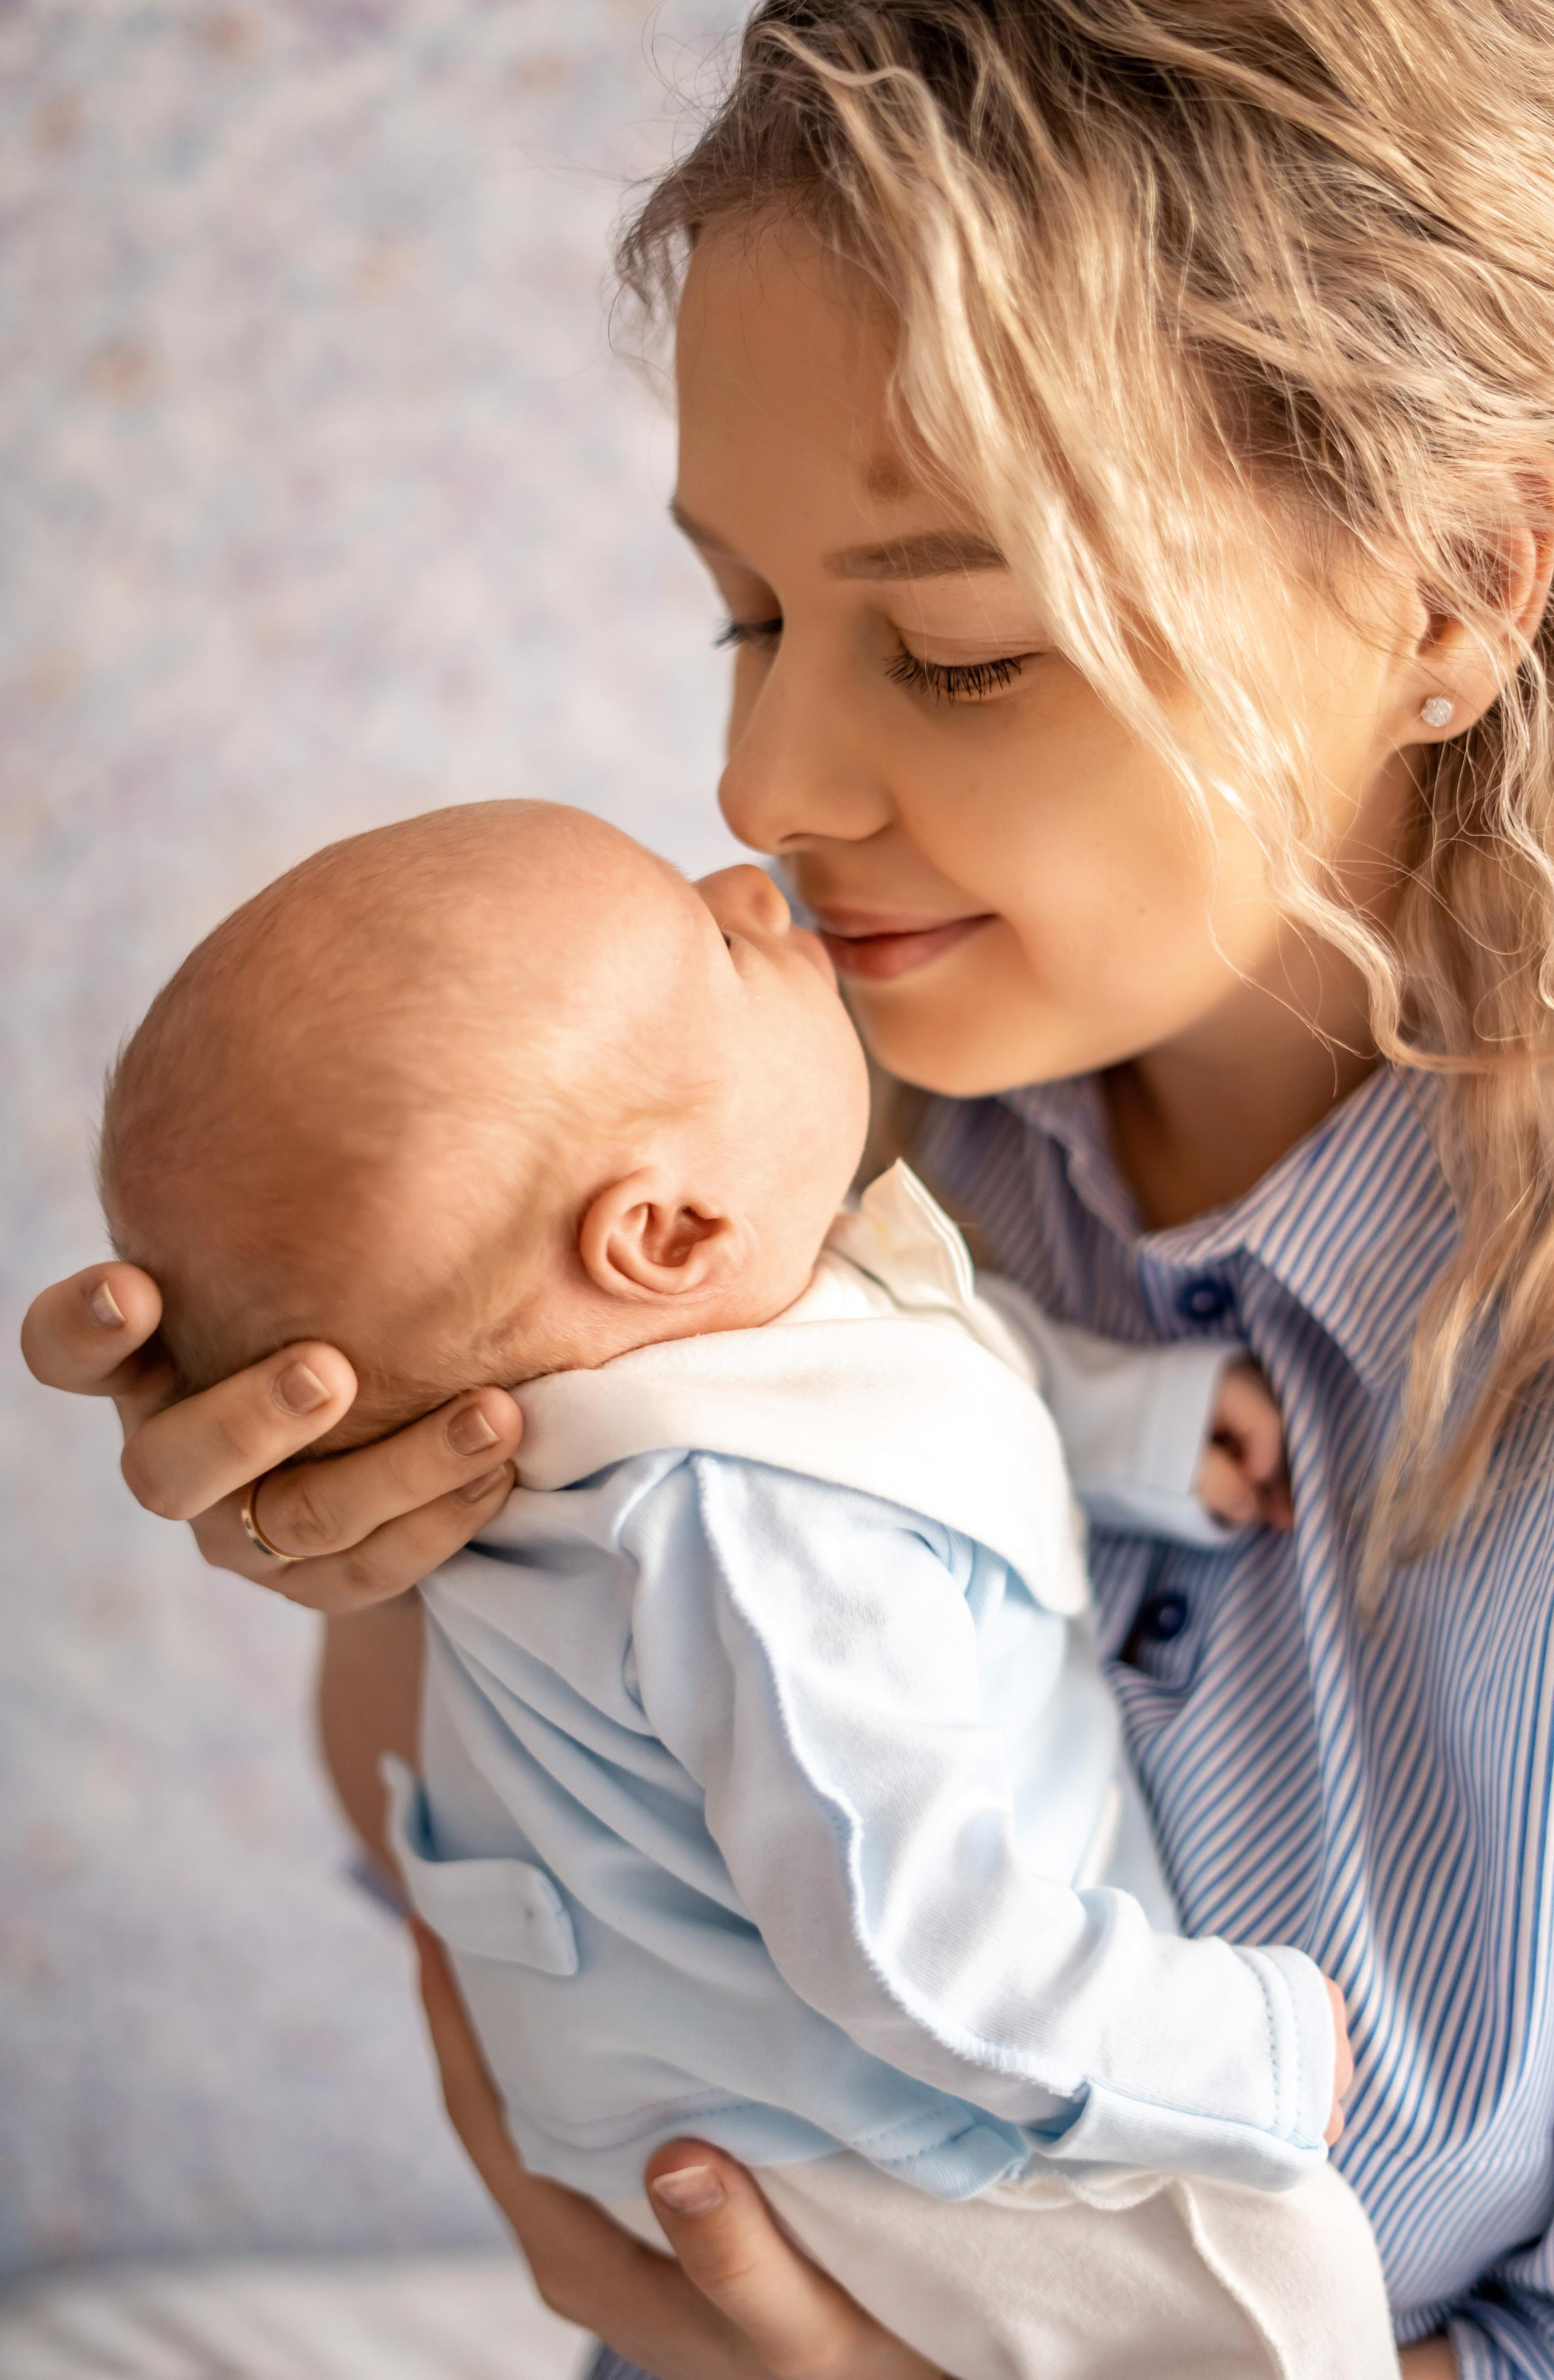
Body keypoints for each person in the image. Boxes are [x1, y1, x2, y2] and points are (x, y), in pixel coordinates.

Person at [23, 0, 1554, 2370]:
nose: (763, 783)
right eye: (745, 613)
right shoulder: (783, 1148)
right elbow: (540, 1901)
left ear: (1454, 587)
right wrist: (412, 1468)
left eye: (957, 650)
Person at [97, 793, 1377, 2378]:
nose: (752, 885)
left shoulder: (668, 1381)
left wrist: (1136, 1428)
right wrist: (1233, 2047)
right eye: (713, 938)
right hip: (875, 2139)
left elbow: (921, 1359)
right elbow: (912, 1940)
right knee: (1282, 2280)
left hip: (718, 2087)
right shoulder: (752, 1537)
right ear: (664, 1232)